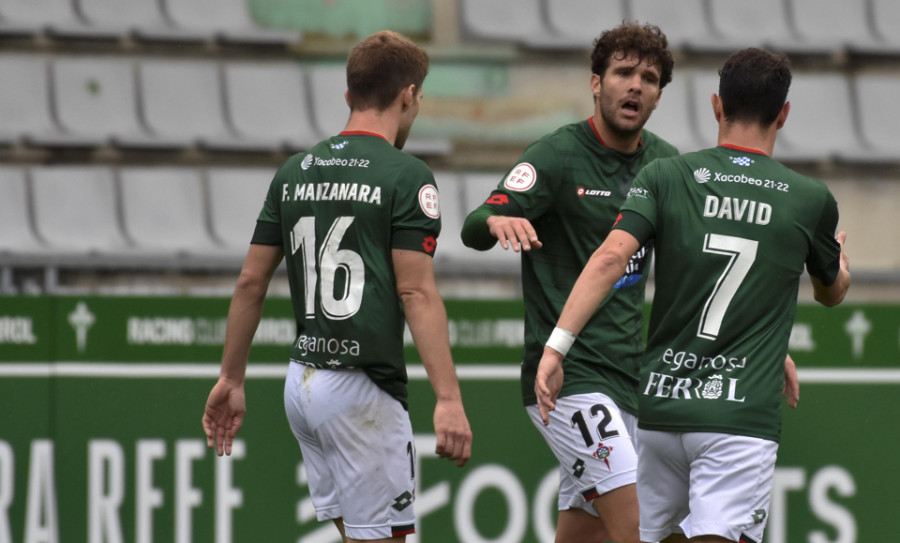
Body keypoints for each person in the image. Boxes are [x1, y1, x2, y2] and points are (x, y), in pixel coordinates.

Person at [535, 47, 851, 543]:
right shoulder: (808, 199)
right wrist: (841, 268)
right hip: (738, 414)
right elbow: (831, 293)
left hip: (662, 411)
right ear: (783, 114)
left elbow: (609, 260)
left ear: (716, 106)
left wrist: (557, 347)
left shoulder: (666, 176)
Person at [202, 30, 472, 543]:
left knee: (356, 533)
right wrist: (449, 398)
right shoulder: (407, 174)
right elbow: (415, 292)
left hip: (302, 381)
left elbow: (249, 282)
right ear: (409, 95)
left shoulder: (294, 171)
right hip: (360, 390)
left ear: (348, 96)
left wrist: (231, 379)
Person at [461, 23, 676, 543]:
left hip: (628, 377)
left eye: (649, 78)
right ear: (596, 83)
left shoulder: (667, 165)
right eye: (623, 73)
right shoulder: (557, 155)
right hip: (567, 381)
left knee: (586, 536)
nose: (635, 86)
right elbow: (473, 224)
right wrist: (496, 221)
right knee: (640, 528)